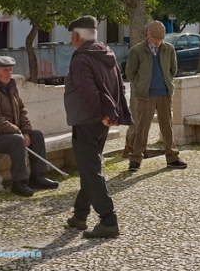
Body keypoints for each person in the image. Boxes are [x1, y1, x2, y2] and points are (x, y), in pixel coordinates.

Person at [64, 15, 133, 239]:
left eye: (71, 36)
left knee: (91, 171)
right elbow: (118, 88)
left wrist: (100, 114)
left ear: (76, 36)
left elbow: (88, 92)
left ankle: (108, 219)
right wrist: (110, 115)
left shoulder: (80, 59)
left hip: (87, 121)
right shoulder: (107, 54)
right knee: (88, 168)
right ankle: (80, 215)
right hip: (101, 121)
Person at [0, 56, 59, 197]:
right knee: (16, 140)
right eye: (5, 70)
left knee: (36, 135)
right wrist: (19, 132)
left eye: (10, 69)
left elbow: (21, 110)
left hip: (9, 133)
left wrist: (26, 131)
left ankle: (37, 177)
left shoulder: (11, 86)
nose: (9, 73)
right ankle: (19, 182)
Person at [126, 20, 187, 172]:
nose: (158, 42)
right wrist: (141, 85)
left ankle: (172, 158)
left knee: (167, 127)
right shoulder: (137, 50)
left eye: (161, 39)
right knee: (142, 128)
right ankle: (135, 159)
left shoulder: (169, 49)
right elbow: (130, 73)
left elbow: (173, 69)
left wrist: (167, 83)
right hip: (145, 95)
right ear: (148, 34)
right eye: (155, 39)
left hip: (165, 94)